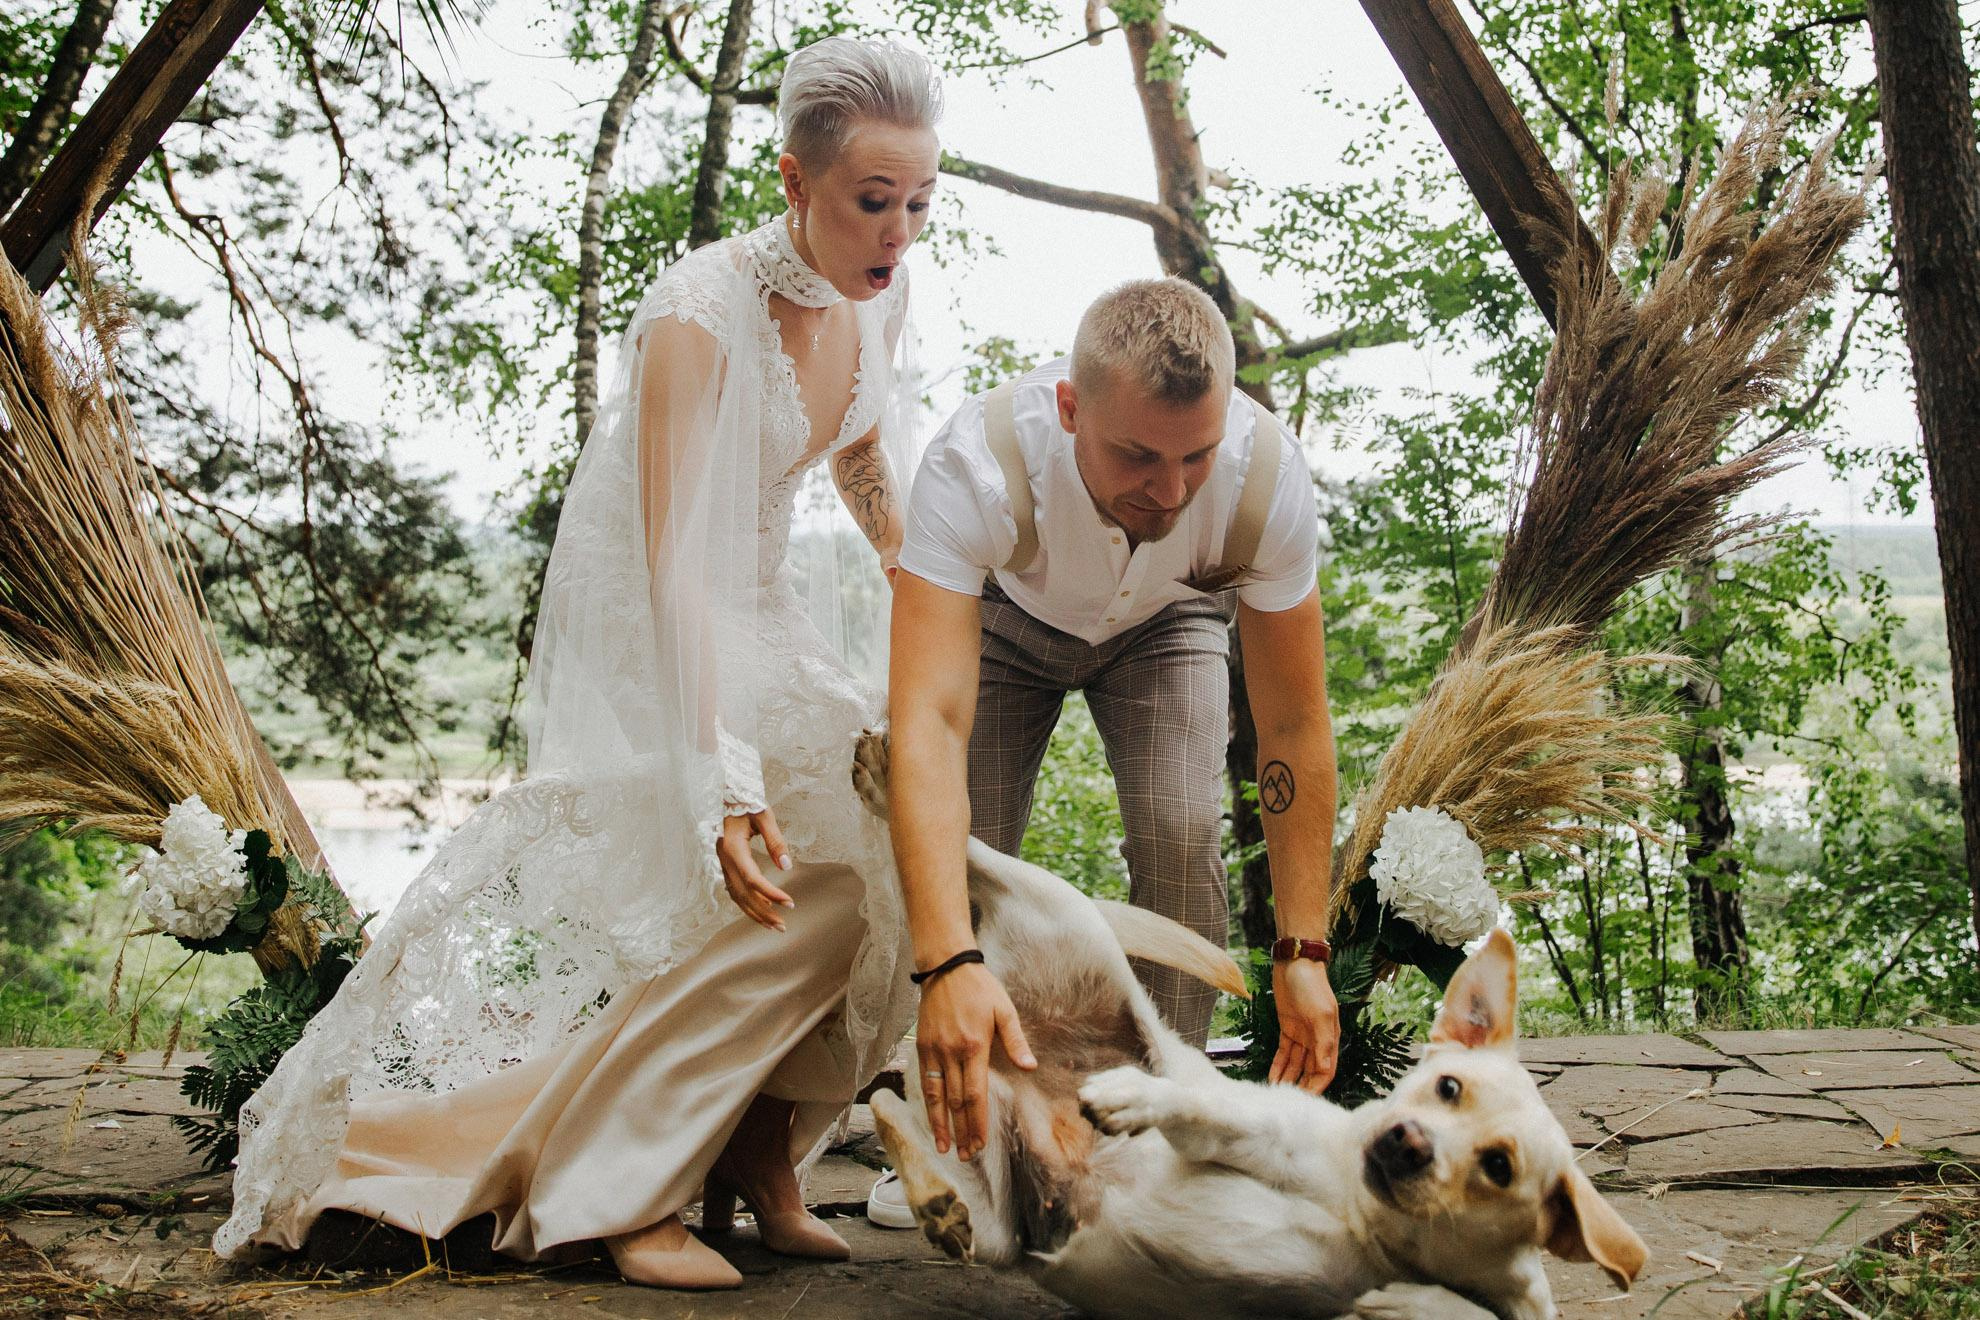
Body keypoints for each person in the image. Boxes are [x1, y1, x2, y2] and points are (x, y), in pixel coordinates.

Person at [212, 37, 942, 1290]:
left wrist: (920, 590)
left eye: (922, 201)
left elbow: (868, 461)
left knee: (891, 828)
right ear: (794, 181)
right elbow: (669, 570)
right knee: (774, 872)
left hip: (756, 603)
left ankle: (760, 1160)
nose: (900, 233)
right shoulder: (693, 317)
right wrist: (721, 780)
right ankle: (624, 1194)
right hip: (657, 617)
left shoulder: (884, 295)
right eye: (874, 202)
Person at [886, 279, 1342, 1162]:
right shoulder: (974, 466)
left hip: (1168, 623)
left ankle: (1166, 1127)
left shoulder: (1268, 480)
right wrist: (945, 962)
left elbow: (1291, 728)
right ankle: (960, 1134)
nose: (1170, 492)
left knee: (1179, 830)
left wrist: (1302, 949)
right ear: (1069, 407)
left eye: (1196, 457)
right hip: (1003, 620)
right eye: (1139, 456)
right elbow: (927, 723)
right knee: (967, 859)